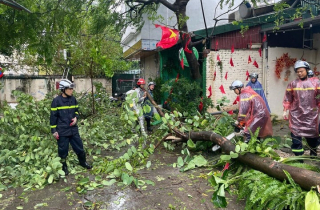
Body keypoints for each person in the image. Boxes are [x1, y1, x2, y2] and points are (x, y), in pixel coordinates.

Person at [50, 79, 92, 175]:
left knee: (79, 147)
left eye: (72, 89)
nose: (72, 90)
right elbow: (53, 117)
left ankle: (83, 162)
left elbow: (76, 111)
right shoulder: (56, 101)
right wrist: (54, 130)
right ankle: (64, 167)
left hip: (73, 129)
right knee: (63, 150)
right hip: (62, 130)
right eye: (69, 89)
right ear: (63, 89)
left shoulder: (73, 99)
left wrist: (76, 118)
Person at [283, 60, 320, 157]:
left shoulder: (316, 83)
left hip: (310, 117)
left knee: (312, 138)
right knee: (296, 139)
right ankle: (298, 159)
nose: (299, 73)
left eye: (301, 71)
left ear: (307, 70)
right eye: (298, 72)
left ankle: (313, 153)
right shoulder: (293, 84)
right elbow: (288, 98)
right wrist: (285, 111)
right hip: (296, 116)